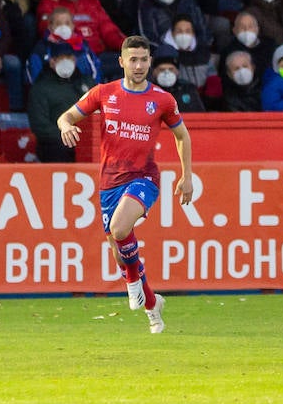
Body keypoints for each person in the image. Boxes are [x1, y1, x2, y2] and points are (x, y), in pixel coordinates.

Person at [56, 35, 193, 334]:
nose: (139, 65)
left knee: (120, 229)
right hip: (109, 182)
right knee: (120, 250)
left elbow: (182, 135)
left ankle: (132, 282)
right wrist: (66, 125)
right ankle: (152, 306)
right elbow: (66, 116)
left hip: (144, 177)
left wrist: (187, 175)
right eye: (133, 59)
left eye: (144, 59)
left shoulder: (162, 100)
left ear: (150, 62)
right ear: (121, 61)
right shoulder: (104, 93)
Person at [28, 42, 93, 162]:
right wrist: (69, 136)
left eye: (69, 57)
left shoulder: (87, 82)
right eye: (62, 58)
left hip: (89, 142)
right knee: (57, 150)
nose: (67, 61)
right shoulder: (40, 88)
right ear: (52, 61)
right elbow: (40, 126)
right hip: (56, 144)